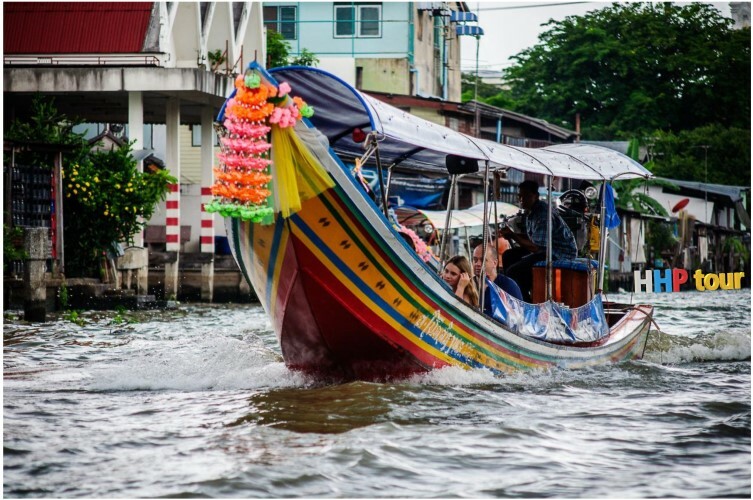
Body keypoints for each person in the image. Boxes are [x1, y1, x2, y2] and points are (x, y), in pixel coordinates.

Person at [500, 180, 577, 301]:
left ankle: (525, 303)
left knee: (514, 272)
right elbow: (532, 239)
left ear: (535, 196)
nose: (521, 199)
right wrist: (511, 234)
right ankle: (518, 294)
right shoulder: (530, 213)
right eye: (519, 196)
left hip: (558, 253)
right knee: (508, 256)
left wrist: (513, 235)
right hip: (543, 250)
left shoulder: (542, 213)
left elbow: (536, 247)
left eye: (525, 196)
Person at [472, 243, 523, 316]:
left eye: (483, 260)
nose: (477, 264)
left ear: (495, 263)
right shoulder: (469, 284)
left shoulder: (508, 286)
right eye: (475, 260)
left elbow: (519, 318)